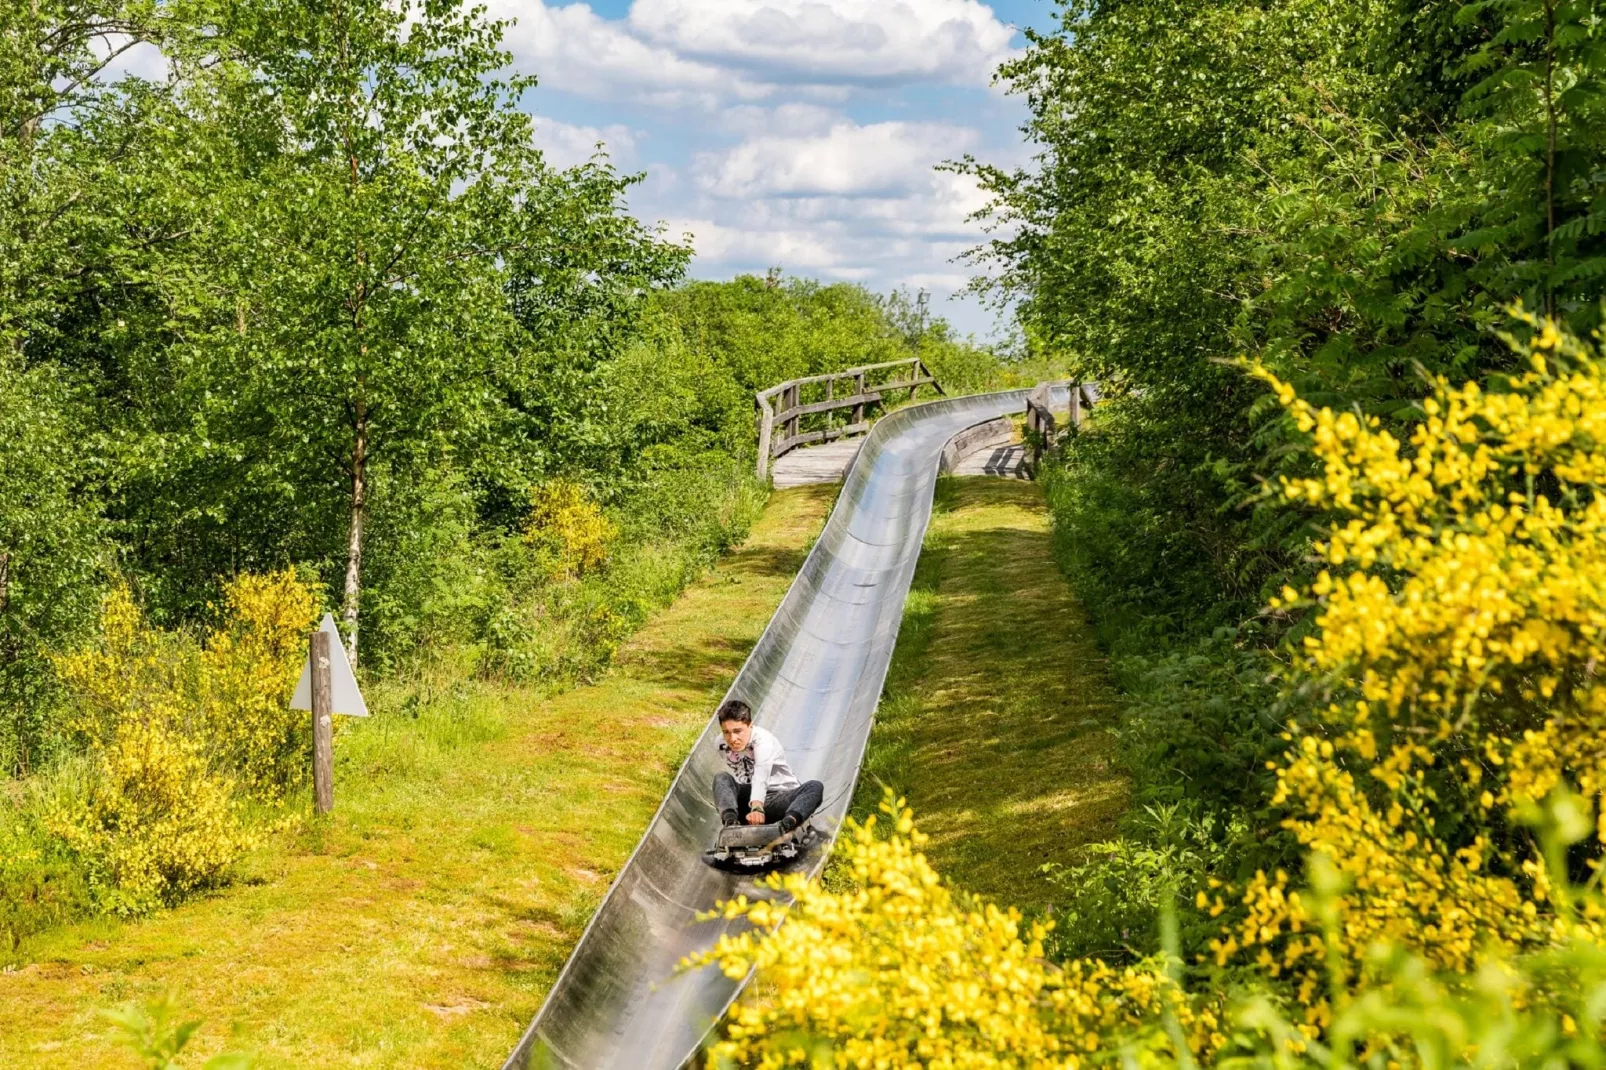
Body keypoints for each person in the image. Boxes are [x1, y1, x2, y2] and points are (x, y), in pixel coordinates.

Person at [712, 698, 823, 833]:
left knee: (814, 786)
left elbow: (761, 775)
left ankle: (785, 826)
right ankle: (731, 825)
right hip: (749, 801)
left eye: (737, 731)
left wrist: (757, 807)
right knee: (721, 777)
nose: (732, 739)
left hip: (779, 798)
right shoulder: (721, 744)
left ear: (750, 726)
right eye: (726, 732)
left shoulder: (764, 741)